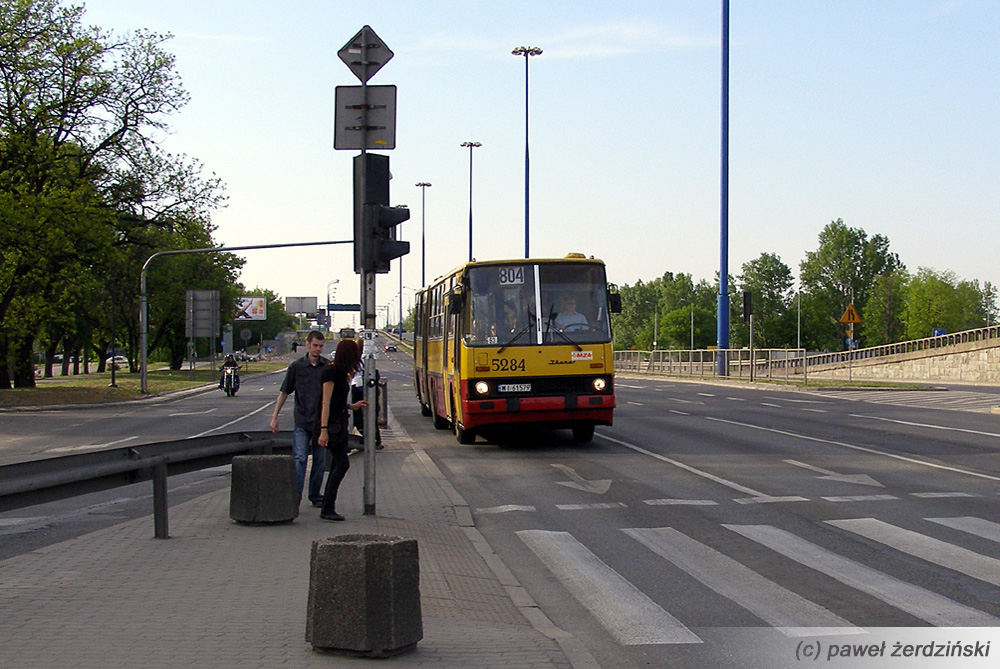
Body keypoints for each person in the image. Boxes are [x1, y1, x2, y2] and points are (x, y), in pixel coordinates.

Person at [269, 330, 328, 506]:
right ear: (307, 345)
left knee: (320, 461)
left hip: (320, 423)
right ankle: (295, 496)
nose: (318, 349)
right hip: (302, 421)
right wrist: (274, 417)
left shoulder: (327, 367)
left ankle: (315, 495)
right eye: (315, 345)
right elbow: (284, 391)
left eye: (321, 346)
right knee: (300, 459)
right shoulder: (297, 367)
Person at [317, 339, 368, 521]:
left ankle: (327, 506)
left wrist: (351, 406)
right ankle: (327, 507)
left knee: (339, 465)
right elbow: (325, 402)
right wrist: (323, 430)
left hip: (338, 422)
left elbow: (336, 401)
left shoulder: (339, 372)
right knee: (341, 464)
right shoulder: (331, 372)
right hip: (331, 426)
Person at [351, 340, 382, 448]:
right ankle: (376, 439)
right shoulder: (366, 359)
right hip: (369, 387)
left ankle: (363, 434)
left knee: (358, 414)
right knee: (372, 412)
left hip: (356, 387)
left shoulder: (355, 360)